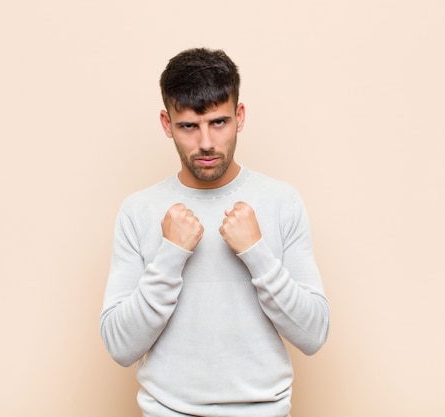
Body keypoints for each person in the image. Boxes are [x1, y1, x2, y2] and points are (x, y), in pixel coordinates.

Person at [100, 48, 330, 417]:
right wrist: (170, 256)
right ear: (166, 123)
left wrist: (256, 252)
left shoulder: (282, 201)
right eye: (188, 126)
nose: (205, 142)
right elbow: (119, 346)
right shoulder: (138, 210)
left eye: (218, 122)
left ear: (240, 116)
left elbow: (314, 333)